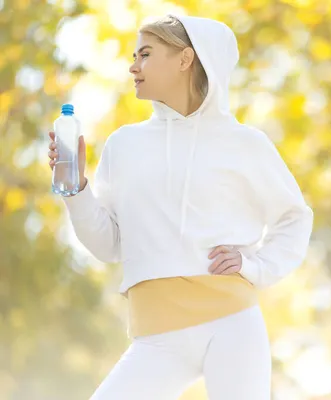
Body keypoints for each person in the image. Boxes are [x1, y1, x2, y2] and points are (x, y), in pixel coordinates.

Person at [47, 14, 313, 400]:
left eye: (146, 54)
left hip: (232, 323)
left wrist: (255, 266)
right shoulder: (124, 145)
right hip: (157, 336)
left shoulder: (243, 143)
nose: (133, 66)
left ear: (186, 59)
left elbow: (295, 217)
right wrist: (76, 189)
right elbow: (109, 246)